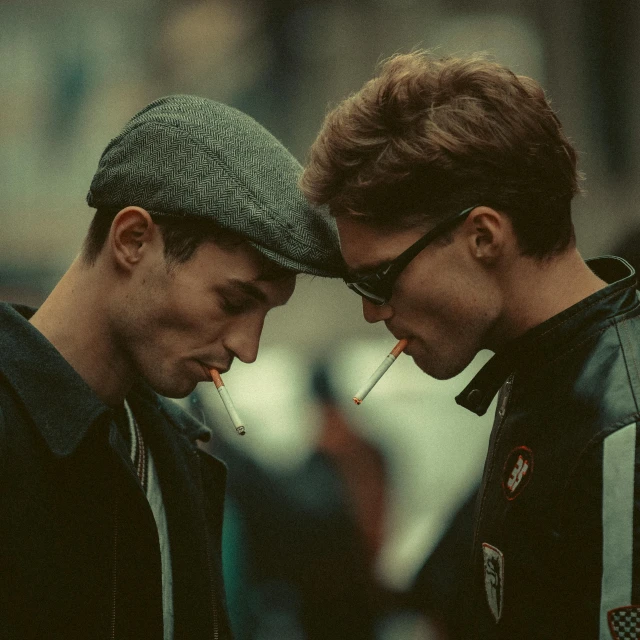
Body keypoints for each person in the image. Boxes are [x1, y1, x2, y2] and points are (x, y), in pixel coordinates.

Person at [300, 51, 640, 639]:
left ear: (483, 236)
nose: (370, 309)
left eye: (380, 278)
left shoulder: (620, 426)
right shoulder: (546, 372)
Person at [0, 95, 343, 640]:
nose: (248, 348)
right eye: (233, 302)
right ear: (133, 240)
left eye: (265, 315)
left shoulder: (173, 453)